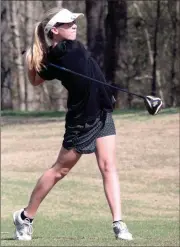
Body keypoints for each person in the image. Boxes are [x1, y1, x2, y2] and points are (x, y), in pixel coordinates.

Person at [13, 8, 133, 241]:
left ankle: (118, 223)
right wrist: (32, 60)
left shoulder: (71, 47)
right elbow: (36, 80)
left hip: (102, 112)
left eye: (74, 21)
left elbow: (43, 75)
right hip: (81, 121)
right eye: (68, 23)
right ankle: (25, 217)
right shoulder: (57, 56)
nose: (74, 25)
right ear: (55, 30)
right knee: (60, 170)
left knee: (108, 166)